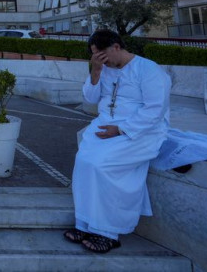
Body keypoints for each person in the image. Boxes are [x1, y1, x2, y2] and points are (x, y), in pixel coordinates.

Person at [64, 29, 171, 253]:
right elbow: (91, 98)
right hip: (105, 126)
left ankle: (107, 232)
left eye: (101, 54)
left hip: (140, 131)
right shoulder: (103, 68)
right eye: (94, 56)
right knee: (83, 161)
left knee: (102, 165)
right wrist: (95, 72)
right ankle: (85, 224)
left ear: (116, 47)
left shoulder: (149, 70)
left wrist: (121, 129)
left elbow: (155, 110)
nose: (99, 59)